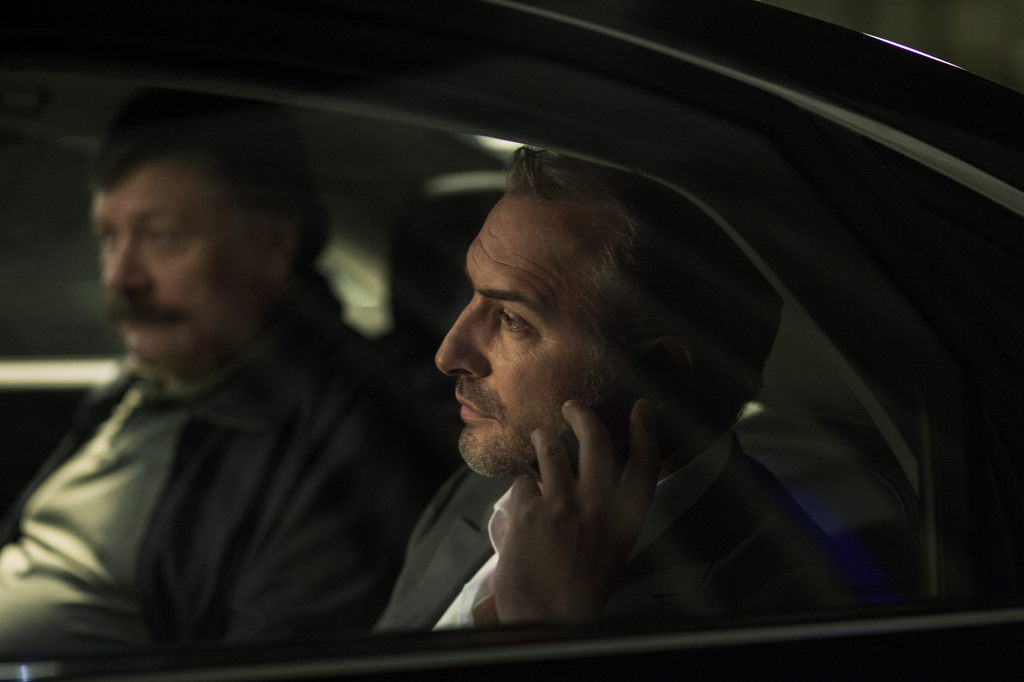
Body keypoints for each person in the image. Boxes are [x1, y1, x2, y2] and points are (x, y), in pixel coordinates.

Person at [0, 90, 426, 657]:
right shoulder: (155, 379)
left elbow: (275, 660)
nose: (122, 278)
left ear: (270, 245)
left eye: (162, 236)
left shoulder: (348, 440)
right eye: (109, 237)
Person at [375, 147, 856, 630]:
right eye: (472, 294)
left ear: (659, 375)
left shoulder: (779, 607)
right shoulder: (494, 481)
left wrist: (541, 632)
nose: (448, 355)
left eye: (512, 320)